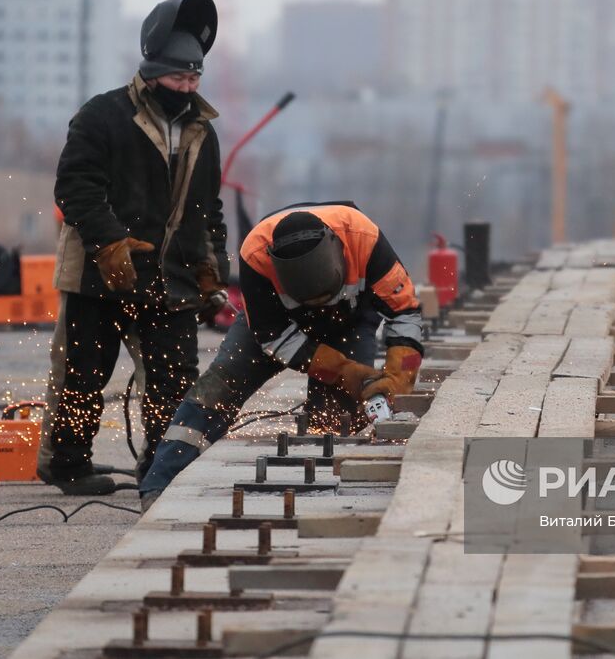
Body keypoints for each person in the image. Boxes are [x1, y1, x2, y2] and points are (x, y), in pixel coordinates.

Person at [38, 0, 231, 496]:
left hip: (172, 281)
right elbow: (75, 187)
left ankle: (161, 465)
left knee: (174, 381)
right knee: (82, 374)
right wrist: (109, 243)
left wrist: (213, 268)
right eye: (177, 79)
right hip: (97, 278)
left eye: (194, 80)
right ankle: (68, 464)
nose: (186, 88)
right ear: (151, 73)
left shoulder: (201, 134)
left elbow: (207, 208)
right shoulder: (101, 116)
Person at [138, 204, 424, 509]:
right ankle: (159, 483)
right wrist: (343, 370)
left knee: (337, 417)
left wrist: (397, 379)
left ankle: (328, 493)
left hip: (348, 322)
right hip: (278, 325)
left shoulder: (364, 239)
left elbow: (405, 312)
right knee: (219, 387)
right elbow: (273, 337)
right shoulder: (255, 254)